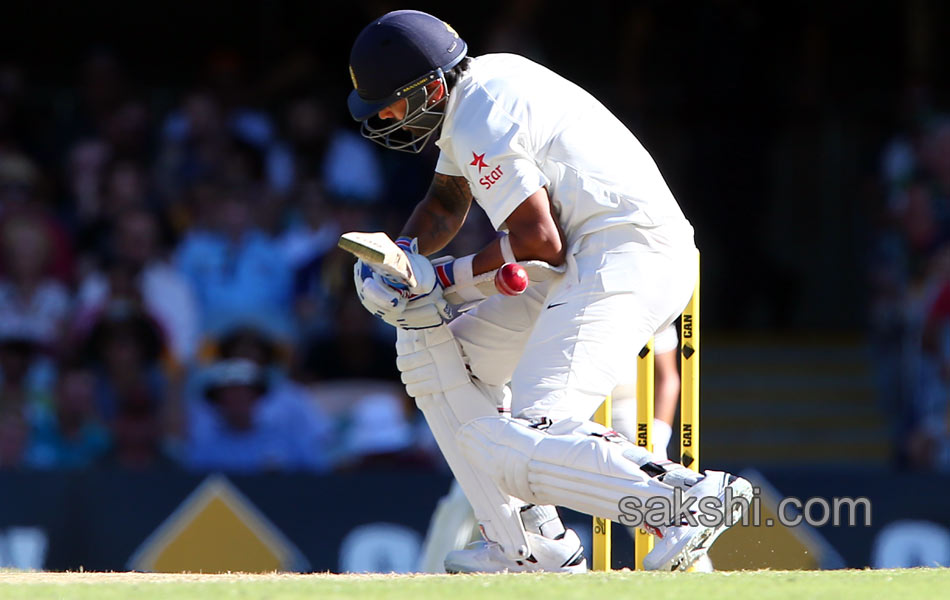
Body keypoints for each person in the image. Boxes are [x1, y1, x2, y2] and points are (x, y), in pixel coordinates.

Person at [346, 10, 751, 573]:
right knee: (432, 352)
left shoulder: (482, 111)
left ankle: (687, 501)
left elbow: (538, 240)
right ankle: (526, 547)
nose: (386, 115)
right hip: (587, 259)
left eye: (391, 100)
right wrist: (400, 258)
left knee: (522, 438)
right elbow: (443, 204)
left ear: (431, 86)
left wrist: (443, 280)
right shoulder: (476, 93)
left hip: (624, 254)